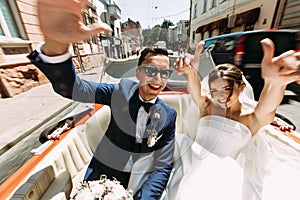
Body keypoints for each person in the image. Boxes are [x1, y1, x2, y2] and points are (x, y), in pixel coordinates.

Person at [27, 1, 176, 199]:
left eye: (164, 73)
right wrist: (56, 46)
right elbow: (73, 89)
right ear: (138, 73)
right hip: (102, 177)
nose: (158, 79)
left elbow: (163, 166)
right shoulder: (121, 92)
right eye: (150, 71)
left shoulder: (169, 115)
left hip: (140, 179)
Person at [169, 39, 300, 199]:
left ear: (242, 88)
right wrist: (190, 73)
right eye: (215, 91)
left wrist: (275, 83)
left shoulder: (251, 118)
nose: (221, 96)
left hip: (224, 175)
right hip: (190, 161)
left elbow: (268, 106)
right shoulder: (207, 106)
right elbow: (195, 88)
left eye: (227, 89)